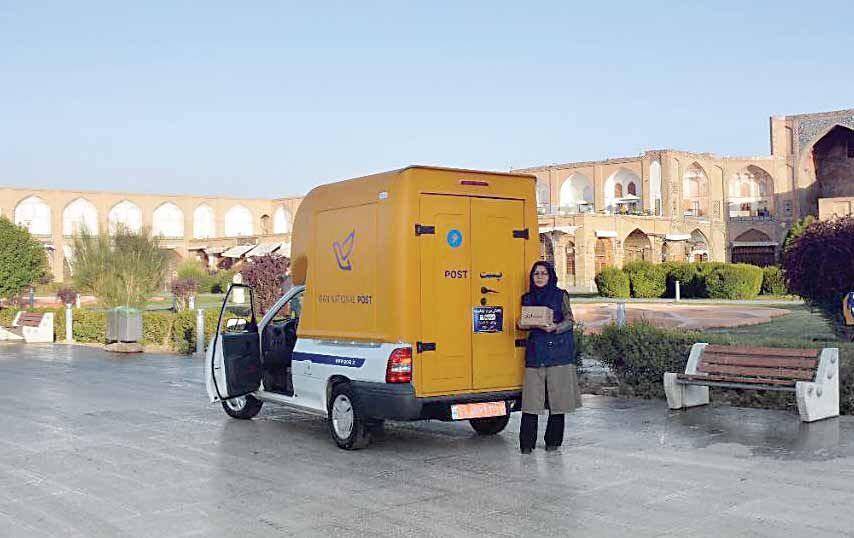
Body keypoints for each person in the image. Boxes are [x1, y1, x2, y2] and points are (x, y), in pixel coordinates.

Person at [518, 261, 580, 454]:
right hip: (536, 353)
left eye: (543, 273)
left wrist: (555, 327)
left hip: (558, 353)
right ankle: (526, 444)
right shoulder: (527, 298)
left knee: (558, 401)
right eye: (536, 273)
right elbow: (522, 322)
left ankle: (553, 442)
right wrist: (528, 324)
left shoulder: (560, 295)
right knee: (531, 401)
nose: (539, 277)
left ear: (550, 275)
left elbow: (570, 320)